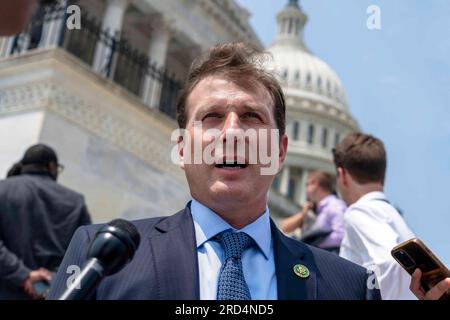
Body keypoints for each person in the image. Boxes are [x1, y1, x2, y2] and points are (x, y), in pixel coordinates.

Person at [48, 43, 380, 300]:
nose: (232, 132)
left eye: (252, 116)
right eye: (212, 117)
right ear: (181, 149)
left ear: (280, 152)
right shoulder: (100, 256)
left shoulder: (349, 287)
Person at [0, 144, 92, 299]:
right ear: (51, 166)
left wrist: (24, 275)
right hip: (50, 294)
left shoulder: (3, 189)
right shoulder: (75, 201)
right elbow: (85, 251)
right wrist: (52, 278)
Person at [332, 132, 417, 299]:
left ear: (342, 175)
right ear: (382, 176)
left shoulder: (360, 211)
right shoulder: (395, 218)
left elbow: (388, 263)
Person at [281, 171, 346, 254]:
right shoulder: (315, 209)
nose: (306, 189)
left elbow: (340, 236)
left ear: (315, 184)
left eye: (307, 184)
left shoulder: (335, 206)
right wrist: (303, 214)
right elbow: (284, 227)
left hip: (327, 256)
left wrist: (314, 244)